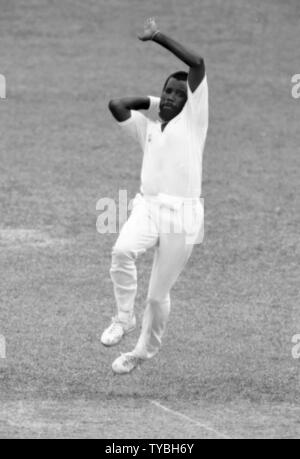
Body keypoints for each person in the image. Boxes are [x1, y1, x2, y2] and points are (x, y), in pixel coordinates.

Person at [101, 18, 209, 374]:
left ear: (188, 101)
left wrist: (157, 37)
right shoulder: (148, 129)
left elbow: (197, 64)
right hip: (147, 208)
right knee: (121, 250)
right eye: (168, 93)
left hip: (182, 218)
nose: (173, 98)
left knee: (157, 296)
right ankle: (123, 318)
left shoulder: (193, 123)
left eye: (180, 95)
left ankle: (142, 352)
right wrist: (153, 101)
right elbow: (117, 104)